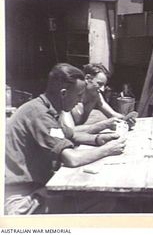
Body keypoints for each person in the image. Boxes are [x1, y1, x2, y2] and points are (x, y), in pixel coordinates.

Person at [5, 63, 126, 215]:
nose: (80, 100)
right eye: (79, 95)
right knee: (102, 200)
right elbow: (72, 159)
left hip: (35, 188)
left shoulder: (45, 108)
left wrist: (98, 139)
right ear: (63, 93)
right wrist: (108, 150)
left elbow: (70, 135)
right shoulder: (40, 114)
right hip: (21, 201)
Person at [61, 63, 136, 134]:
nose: (102, 89)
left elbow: (112, 114)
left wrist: (125, 120)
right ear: (87, 78)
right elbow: (69, 131)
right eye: (99, 84)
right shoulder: (69, 96)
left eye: (104, 85)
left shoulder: (95, 95)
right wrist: (103, 125)